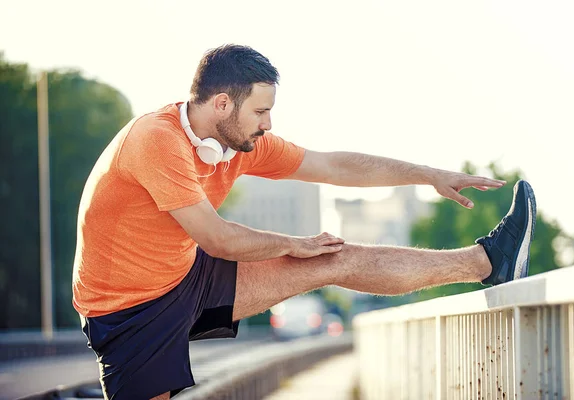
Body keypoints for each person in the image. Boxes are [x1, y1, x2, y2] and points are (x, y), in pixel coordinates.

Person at [72, 44, 536, 400]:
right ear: (220, 105)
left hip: (184, 273)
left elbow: (335, 166)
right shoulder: (156, 141)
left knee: (333, 257)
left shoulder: (242, 143)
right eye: (260, 111)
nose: (268, 124)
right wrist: (292, 243)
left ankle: (486, 261)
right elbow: (217, 237)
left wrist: (428, 175)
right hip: (127, 310)